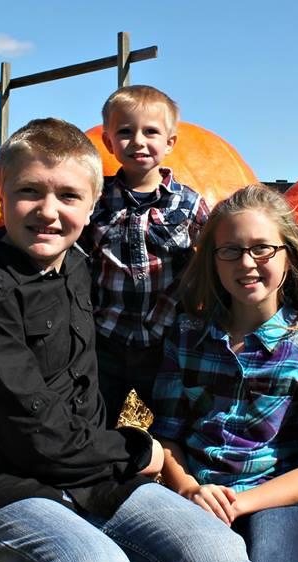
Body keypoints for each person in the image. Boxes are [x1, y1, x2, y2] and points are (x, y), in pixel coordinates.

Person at [0, 117, 252, 562]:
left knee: (220, 560)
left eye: (68, 196)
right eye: (29, 192)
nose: (49, 211)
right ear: (0, 189)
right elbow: (36, 434)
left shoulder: (78, 265)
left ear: (93, 202)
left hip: (91, 480)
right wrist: (139, 451)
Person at [150, 184, 298, 562]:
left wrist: (241, 504)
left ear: (288, 256)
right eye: (231, 251)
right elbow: (167, 433)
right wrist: (188, 488)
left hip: (272, 495)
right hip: (198, 487)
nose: (246, 263)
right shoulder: (188, 336)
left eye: (262, 248)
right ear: (213, 260)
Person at [79, 84, 209, 428]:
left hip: (166, 343)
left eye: (150, 132)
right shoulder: (96, 200)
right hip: (106, 340)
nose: (138, 141)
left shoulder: (189, 203)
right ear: (108, 142)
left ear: (170, 142)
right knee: (95, 423)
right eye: (125, 132)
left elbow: (213, 255)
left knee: (174, 424)